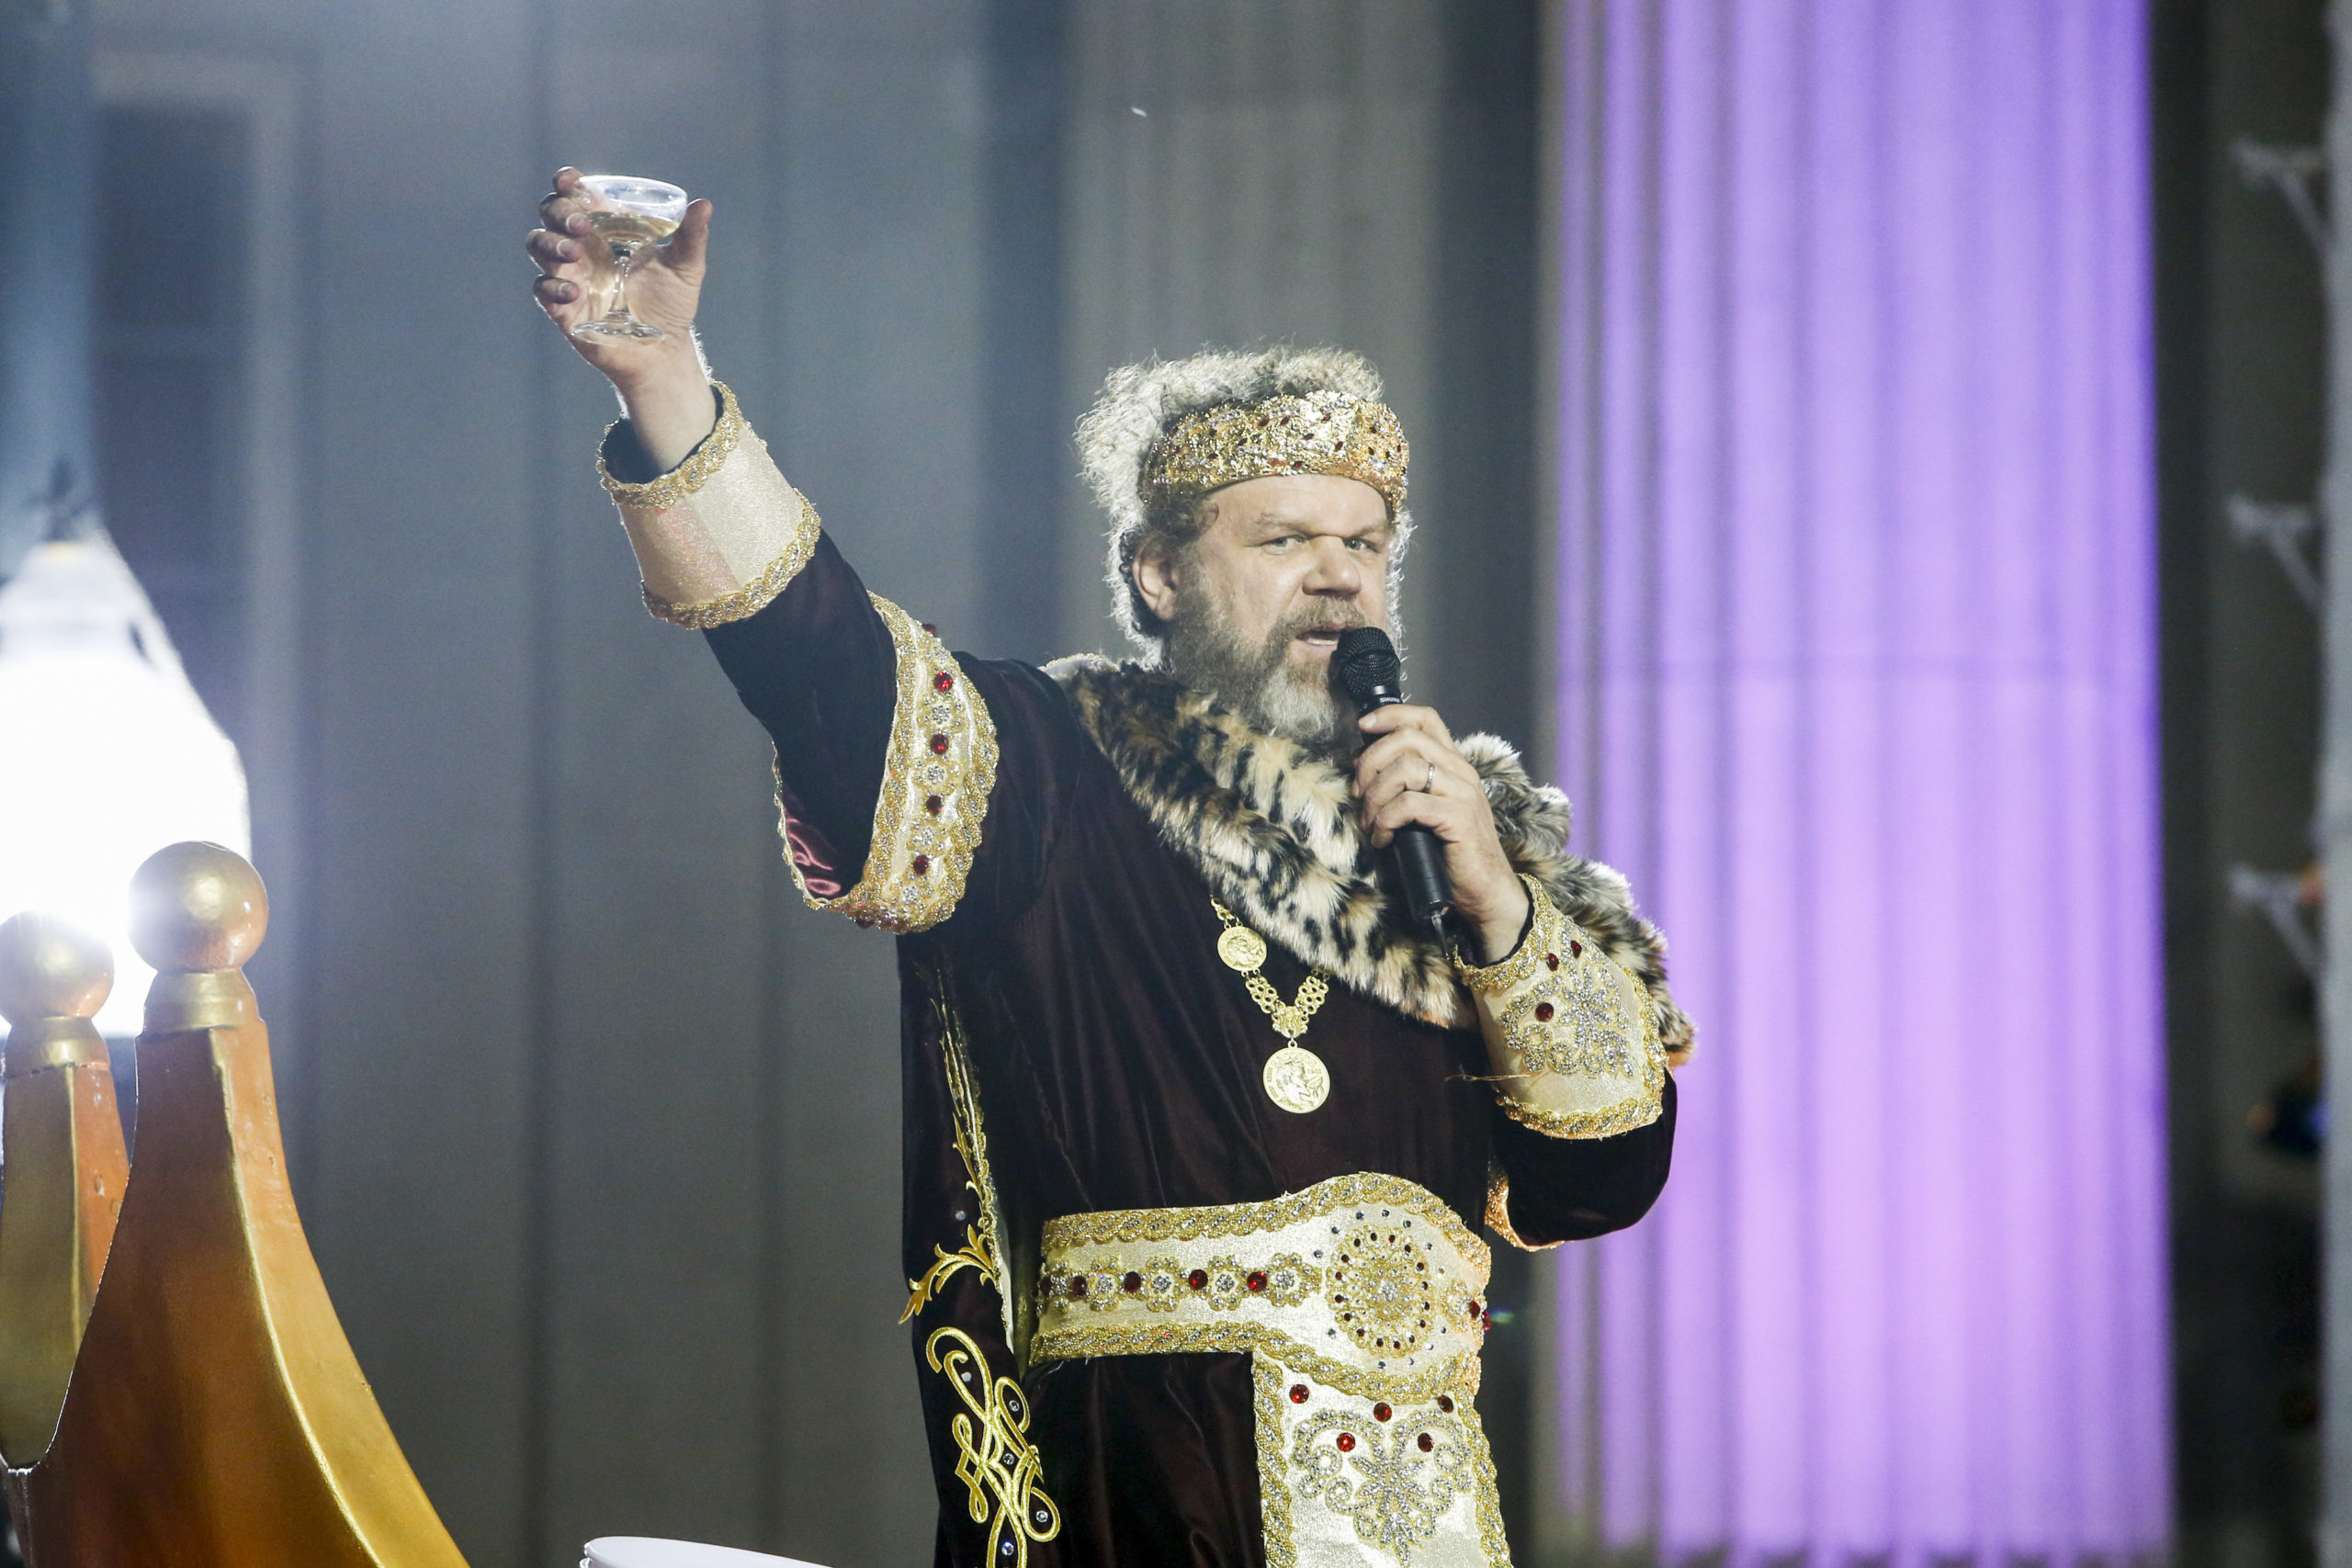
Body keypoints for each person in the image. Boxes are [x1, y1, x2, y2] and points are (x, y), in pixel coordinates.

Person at [526, 168, 1690, 1568]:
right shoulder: (1050, 768)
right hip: (1138, 1488)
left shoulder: (1458, 848)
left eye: (1364, 545)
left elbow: (1599, 1182)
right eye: (1285, 540)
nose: (1339, 577)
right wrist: (667, 382)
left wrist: (1501, 907)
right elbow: (816, 658)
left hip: (1424, 1509)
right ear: (1156, 573)